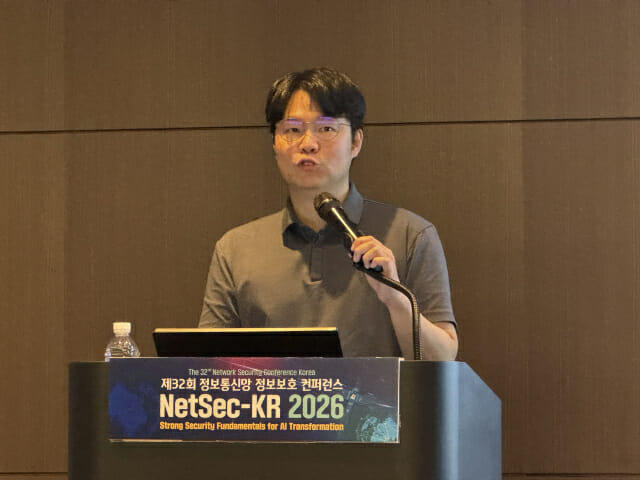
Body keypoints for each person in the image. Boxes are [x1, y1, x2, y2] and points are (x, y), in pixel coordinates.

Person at [199, 67, 458, 360]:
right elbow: (205, 366)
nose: (308, 144)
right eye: (292, 130)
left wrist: (395, 298)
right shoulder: (235, 249)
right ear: (274, 143)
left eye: (326, 129)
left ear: (356, 142)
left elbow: (441, 362)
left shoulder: (411, 235)